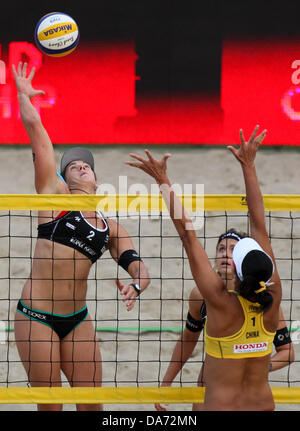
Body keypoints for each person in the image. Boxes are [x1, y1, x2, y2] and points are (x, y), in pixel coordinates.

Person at [12, 62, 150, 411]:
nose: (80, 165)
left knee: (92, 406)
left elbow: (139, 267)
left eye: (85, 164)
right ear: (63, 178)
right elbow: (36, 131)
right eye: (72, 165)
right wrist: (25, 96)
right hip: (36, 317)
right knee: (52, 407)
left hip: (78, 320)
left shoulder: (110, 227)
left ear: (96, 181)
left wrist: (135, 284)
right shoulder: (53, 197)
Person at [126, 125, 283, 411]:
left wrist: (163, 180)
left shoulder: (217, 300)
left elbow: (188, 235)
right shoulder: (274, 296)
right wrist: (249, 166)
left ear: (235, 265)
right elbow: (259, 222)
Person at [154, 228, 294, 411]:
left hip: (244, 396)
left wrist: (257, 365)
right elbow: (189, 339)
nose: (226, 254)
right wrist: (166, 382)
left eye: (233, 250)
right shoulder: (200, 296)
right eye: (221, 249)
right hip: (208, 392)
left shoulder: (263, 299)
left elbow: (288, 352)